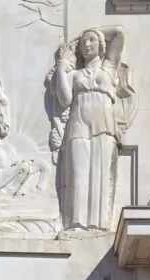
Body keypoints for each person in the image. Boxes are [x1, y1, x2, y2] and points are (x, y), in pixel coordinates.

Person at [51, 27, 136, 230]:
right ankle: (76, 223)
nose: (87, 45)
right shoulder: (75, 74)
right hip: (78, 122)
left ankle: (99, 225)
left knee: (102, 173)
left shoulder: (109, 68)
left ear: (101, 45)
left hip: (104, 123)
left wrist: (81, 35)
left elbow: (119, 34)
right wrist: (62, 68)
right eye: (83, 43)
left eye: (91, 41)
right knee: (78, 172)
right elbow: (64, 100)